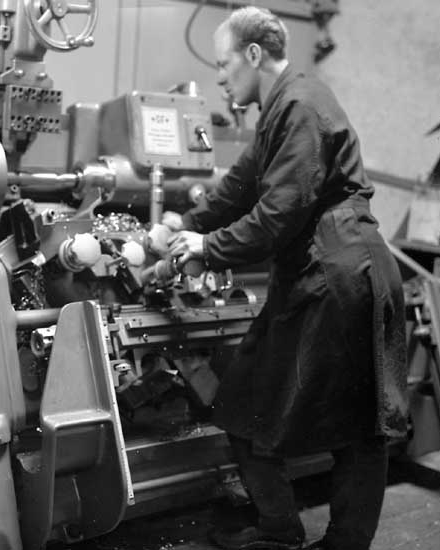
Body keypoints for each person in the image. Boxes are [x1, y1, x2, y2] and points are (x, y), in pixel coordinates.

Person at [165, 7, 408, 550]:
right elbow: (240, 185)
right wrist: (184, 225)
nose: (219, 77)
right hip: (322, 270)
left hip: (341, 273)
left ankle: (341, 542)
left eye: (223, 63)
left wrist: (208, 248)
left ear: (253, 55)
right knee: (242, 401)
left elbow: (280, 213)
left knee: (357, 426)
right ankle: (278, 528)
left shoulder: (300, 104)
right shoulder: (279, 108)